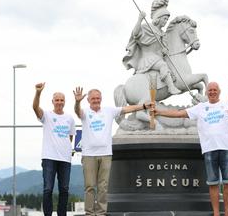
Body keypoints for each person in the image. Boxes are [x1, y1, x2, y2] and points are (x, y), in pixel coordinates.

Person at [153, 82, 228, 216]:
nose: (212, 92)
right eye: (210, 90)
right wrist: (159, 112)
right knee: (213, 183)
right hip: (209, 149)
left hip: (227, 148)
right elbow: (179, 114)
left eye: (214, 90)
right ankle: (216, 213)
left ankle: (227, 213)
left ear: (219, 91)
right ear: (206, 92)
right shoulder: (200, 107)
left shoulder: (226, 105)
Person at [73, 87, 152, 216]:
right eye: (93, 98)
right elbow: (77, 111)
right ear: (88, 100)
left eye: (98, 98)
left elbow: (127, 109)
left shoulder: (108, 111)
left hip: (105, 154)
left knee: (103, 186)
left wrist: (143, 106)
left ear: (101, 99)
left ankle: (101, 212)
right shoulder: (85, 113)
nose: (96, 100)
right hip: (89, 155)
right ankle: (89, 212)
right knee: (90, 186)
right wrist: (77, 102)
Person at [32, 82, 76, 216]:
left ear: (65, 102)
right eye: (57, 100)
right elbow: (35, 107)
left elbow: (70, 137)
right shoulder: (47, 115)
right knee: (48, 189)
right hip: (49, 158)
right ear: (52, 101)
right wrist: (38, 92)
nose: (59, 102)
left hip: (65, 159)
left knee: (64, 189)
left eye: (62, 100)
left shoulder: (70, 118)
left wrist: (65, 149)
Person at [122, 0, 181, 95]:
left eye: (167, 19)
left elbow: (163, 49)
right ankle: (171, 88)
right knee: (163, 65)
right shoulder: (147, 27)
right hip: (147, 59)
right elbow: (136, 34)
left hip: (157, 58)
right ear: (158, 18)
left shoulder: (162, 33)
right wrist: (140, 20)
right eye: (164, 19)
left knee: (169, 66)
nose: (166, 21)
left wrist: (164, 51)